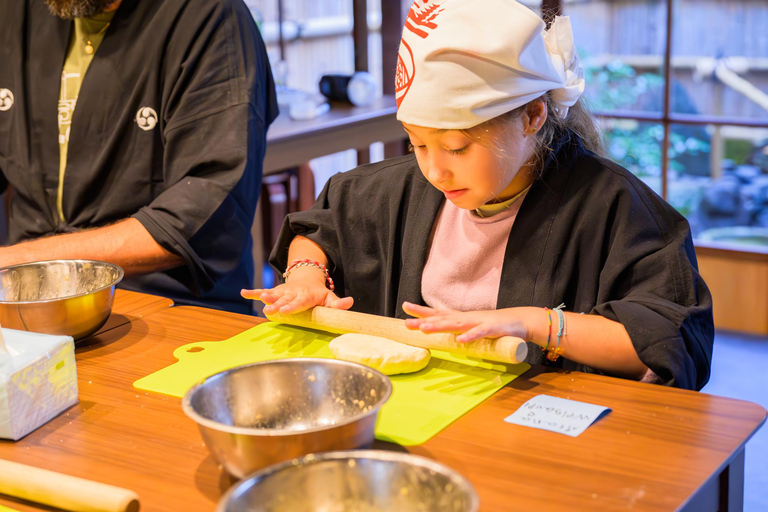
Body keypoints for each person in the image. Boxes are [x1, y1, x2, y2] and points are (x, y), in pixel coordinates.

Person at [242, 0, 713, 390]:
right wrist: (307, 274)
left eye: (456, 147)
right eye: (417, 144)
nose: (434, 170)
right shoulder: (390, 188)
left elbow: (667, 337)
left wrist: (535, 323)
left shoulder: (615, 207)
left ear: (532, 116)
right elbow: (323, 226)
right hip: (413, 408)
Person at [0, 0, 278, 314]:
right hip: (24, 301)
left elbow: (201, 216)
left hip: (167, 305)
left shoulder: (208, 15)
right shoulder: (17, 11)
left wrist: (19, 261)